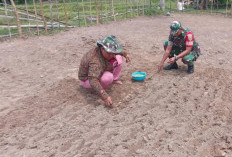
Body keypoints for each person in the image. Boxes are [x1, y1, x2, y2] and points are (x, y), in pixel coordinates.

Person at [78, 35, 130, 106]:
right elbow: (93, 80)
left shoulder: (103, 51)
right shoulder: (95, 61)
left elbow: (116, 51)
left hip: (97, 70)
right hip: (87, 80)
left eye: (113, 52)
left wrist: (125, 54)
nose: (112, 55)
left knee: (118, 58)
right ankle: (100, 88)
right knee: (108, 78)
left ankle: (114, 79)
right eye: (109, 53)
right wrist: (105, 96)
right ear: (102, 48)